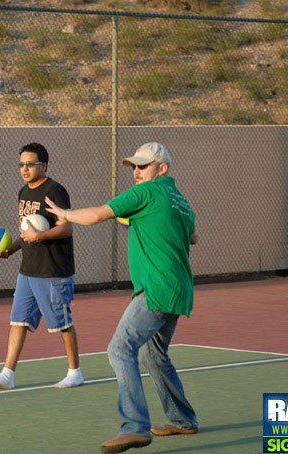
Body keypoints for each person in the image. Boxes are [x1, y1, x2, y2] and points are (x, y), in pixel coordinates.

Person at [45, 142, 198, 454]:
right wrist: (140, 220)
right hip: (180, 289)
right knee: (152, 356)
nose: (137, 171)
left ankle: (135, 427)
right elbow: (193, 235)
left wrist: (65, 214)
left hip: (156, 288)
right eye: (134, 166)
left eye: (143, 166)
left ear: (162, 169)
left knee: (119, 349)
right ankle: (182, 419)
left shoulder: (145, 193)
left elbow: (97, 215)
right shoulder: (180, 201)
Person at [0, 143, 84, 389]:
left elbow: (66, 227)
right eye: (21, 164)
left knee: (61, 322)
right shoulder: (23, 192)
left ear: (43, 165)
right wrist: (9, 250)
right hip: (28, 269)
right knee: (19, 320)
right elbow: (27, 232)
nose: (24, 169)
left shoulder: (55, 191)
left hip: (53, 270)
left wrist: (40, 237)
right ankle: (8, 374)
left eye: (30, 164)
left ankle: (75, 372)